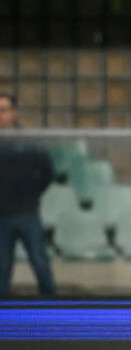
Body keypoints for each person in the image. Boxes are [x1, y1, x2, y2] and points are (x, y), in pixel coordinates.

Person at [0, 92, 56, 297]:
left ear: (13, 113)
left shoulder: (29, 142)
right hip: (1, 218)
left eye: (4, 110)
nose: (0, 115)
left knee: (40, 264)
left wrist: (32, 194)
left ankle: (51, 310)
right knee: (2, 270)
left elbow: (47, 172)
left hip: (27, 213)